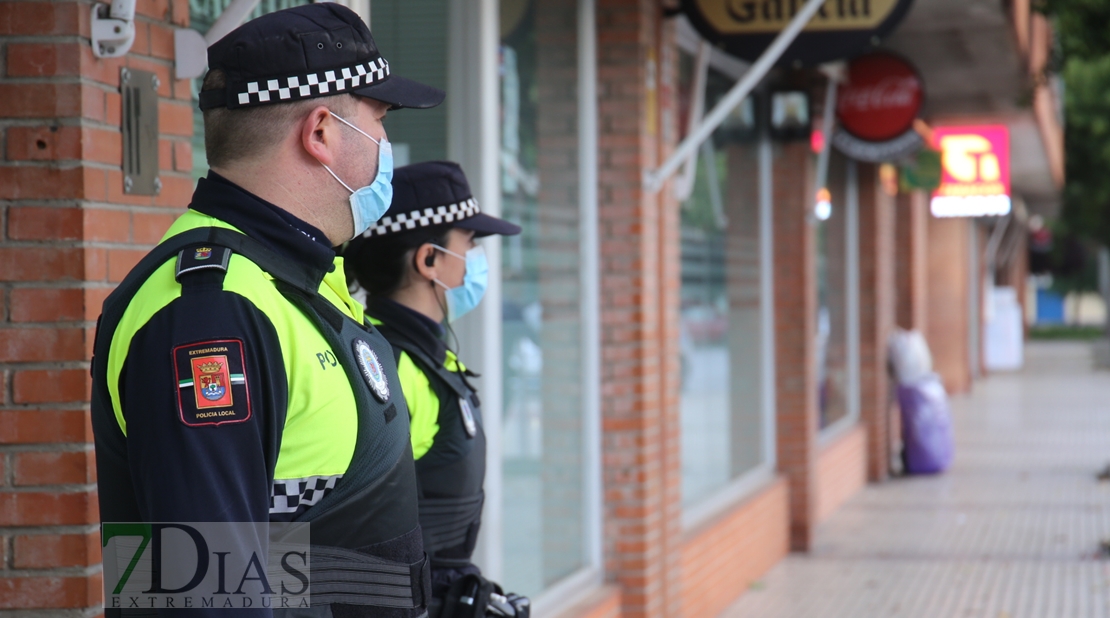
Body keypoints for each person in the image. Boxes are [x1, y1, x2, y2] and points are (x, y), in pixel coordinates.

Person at [90, 5, 444, 617]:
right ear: (322, 132)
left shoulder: (299, 280)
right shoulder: (209, 311)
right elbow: (204, 594)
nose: (387, 145)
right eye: (380, 120)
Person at [343, 162, 530, 618]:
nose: (478, 261)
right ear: (428, 260)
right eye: (470, 245)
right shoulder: (391, 368)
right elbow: (359, 529)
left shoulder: (428, 359)